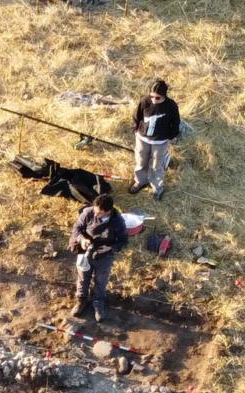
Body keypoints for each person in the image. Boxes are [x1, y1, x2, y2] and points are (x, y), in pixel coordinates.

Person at [68, 194, 129, 326]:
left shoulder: (118, 222)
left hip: (104, 256)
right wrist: (82, 240)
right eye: (95, 211)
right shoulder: (88, 213)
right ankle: (81, 300)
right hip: (85, 251)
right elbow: (76, 229)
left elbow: (123, 241)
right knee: (83, 277)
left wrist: (110, 249)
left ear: (108, 211)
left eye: (99, 213)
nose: (95, 214)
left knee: (101, 280)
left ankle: (98, 303)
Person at [130, 79, 182, 199]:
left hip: (160, 141)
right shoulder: (144, 101)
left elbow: (175, 123)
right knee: (141, 162)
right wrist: (135, 128)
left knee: (156, 166)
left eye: (157, 97)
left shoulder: (171, 106)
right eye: (151, 96)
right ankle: (140, 181)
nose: (153, 99)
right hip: (142, 139)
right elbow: (136, 116)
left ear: (164, 96)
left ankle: (157, 188)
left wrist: (171, 136)